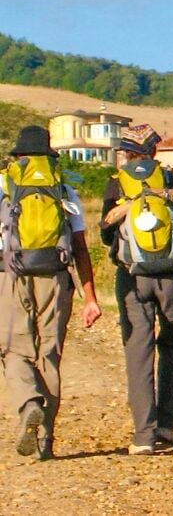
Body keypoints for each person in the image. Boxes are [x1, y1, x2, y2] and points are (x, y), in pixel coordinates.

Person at [100, 124, 173, 455]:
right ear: (153, 152)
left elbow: (106, 234)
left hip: (132, 277)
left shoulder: (116, 184)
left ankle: (143, 434)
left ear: (126, 153)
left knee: (138, 351)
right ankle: (168, 423)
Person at [0, 125, 102, 460]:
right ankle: (46, 439)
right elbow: (80, 248)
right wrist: (90, 297)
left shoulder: (3, 184)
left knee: (13, 351)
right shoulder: (64, 190)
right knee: (50, 356)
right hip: (56, 278)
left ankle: (29, 402)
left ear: (18, 157)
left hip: (11, 277)